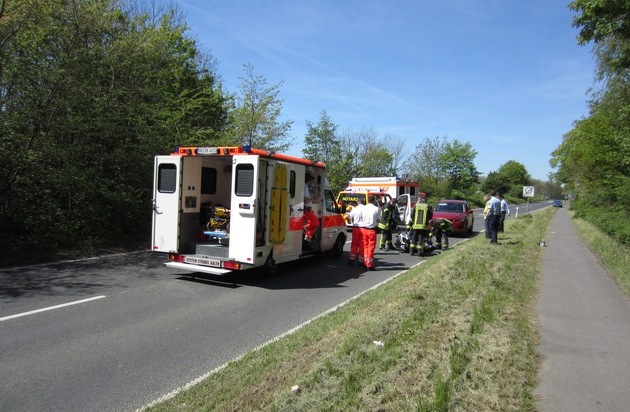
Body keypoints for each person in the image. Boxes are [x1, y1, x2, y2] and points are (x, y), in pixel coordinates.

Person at [358, 195, 381, 270]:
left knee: (365, 247)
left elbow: (361, 218)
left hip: (364, 229)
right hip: (371, 230)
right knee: (371, 248)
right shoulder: (376, 209)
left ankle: (365, 262)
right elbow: (378, 220)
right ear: (374, 200)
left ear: (368, 200)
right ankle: (369, 265)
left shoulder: (364, 208)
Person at [347, 198, 365, 266]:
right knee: (362, 245)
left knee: (354, 243)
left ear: (358, 202)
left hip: (356, 228)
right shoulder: (366, 209)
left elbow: (349, 217)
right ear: (364, 202)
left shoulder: (355, 209)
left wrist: (350, 221)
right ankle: (361, 260)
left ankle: (352, 258)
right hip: (364, 228)